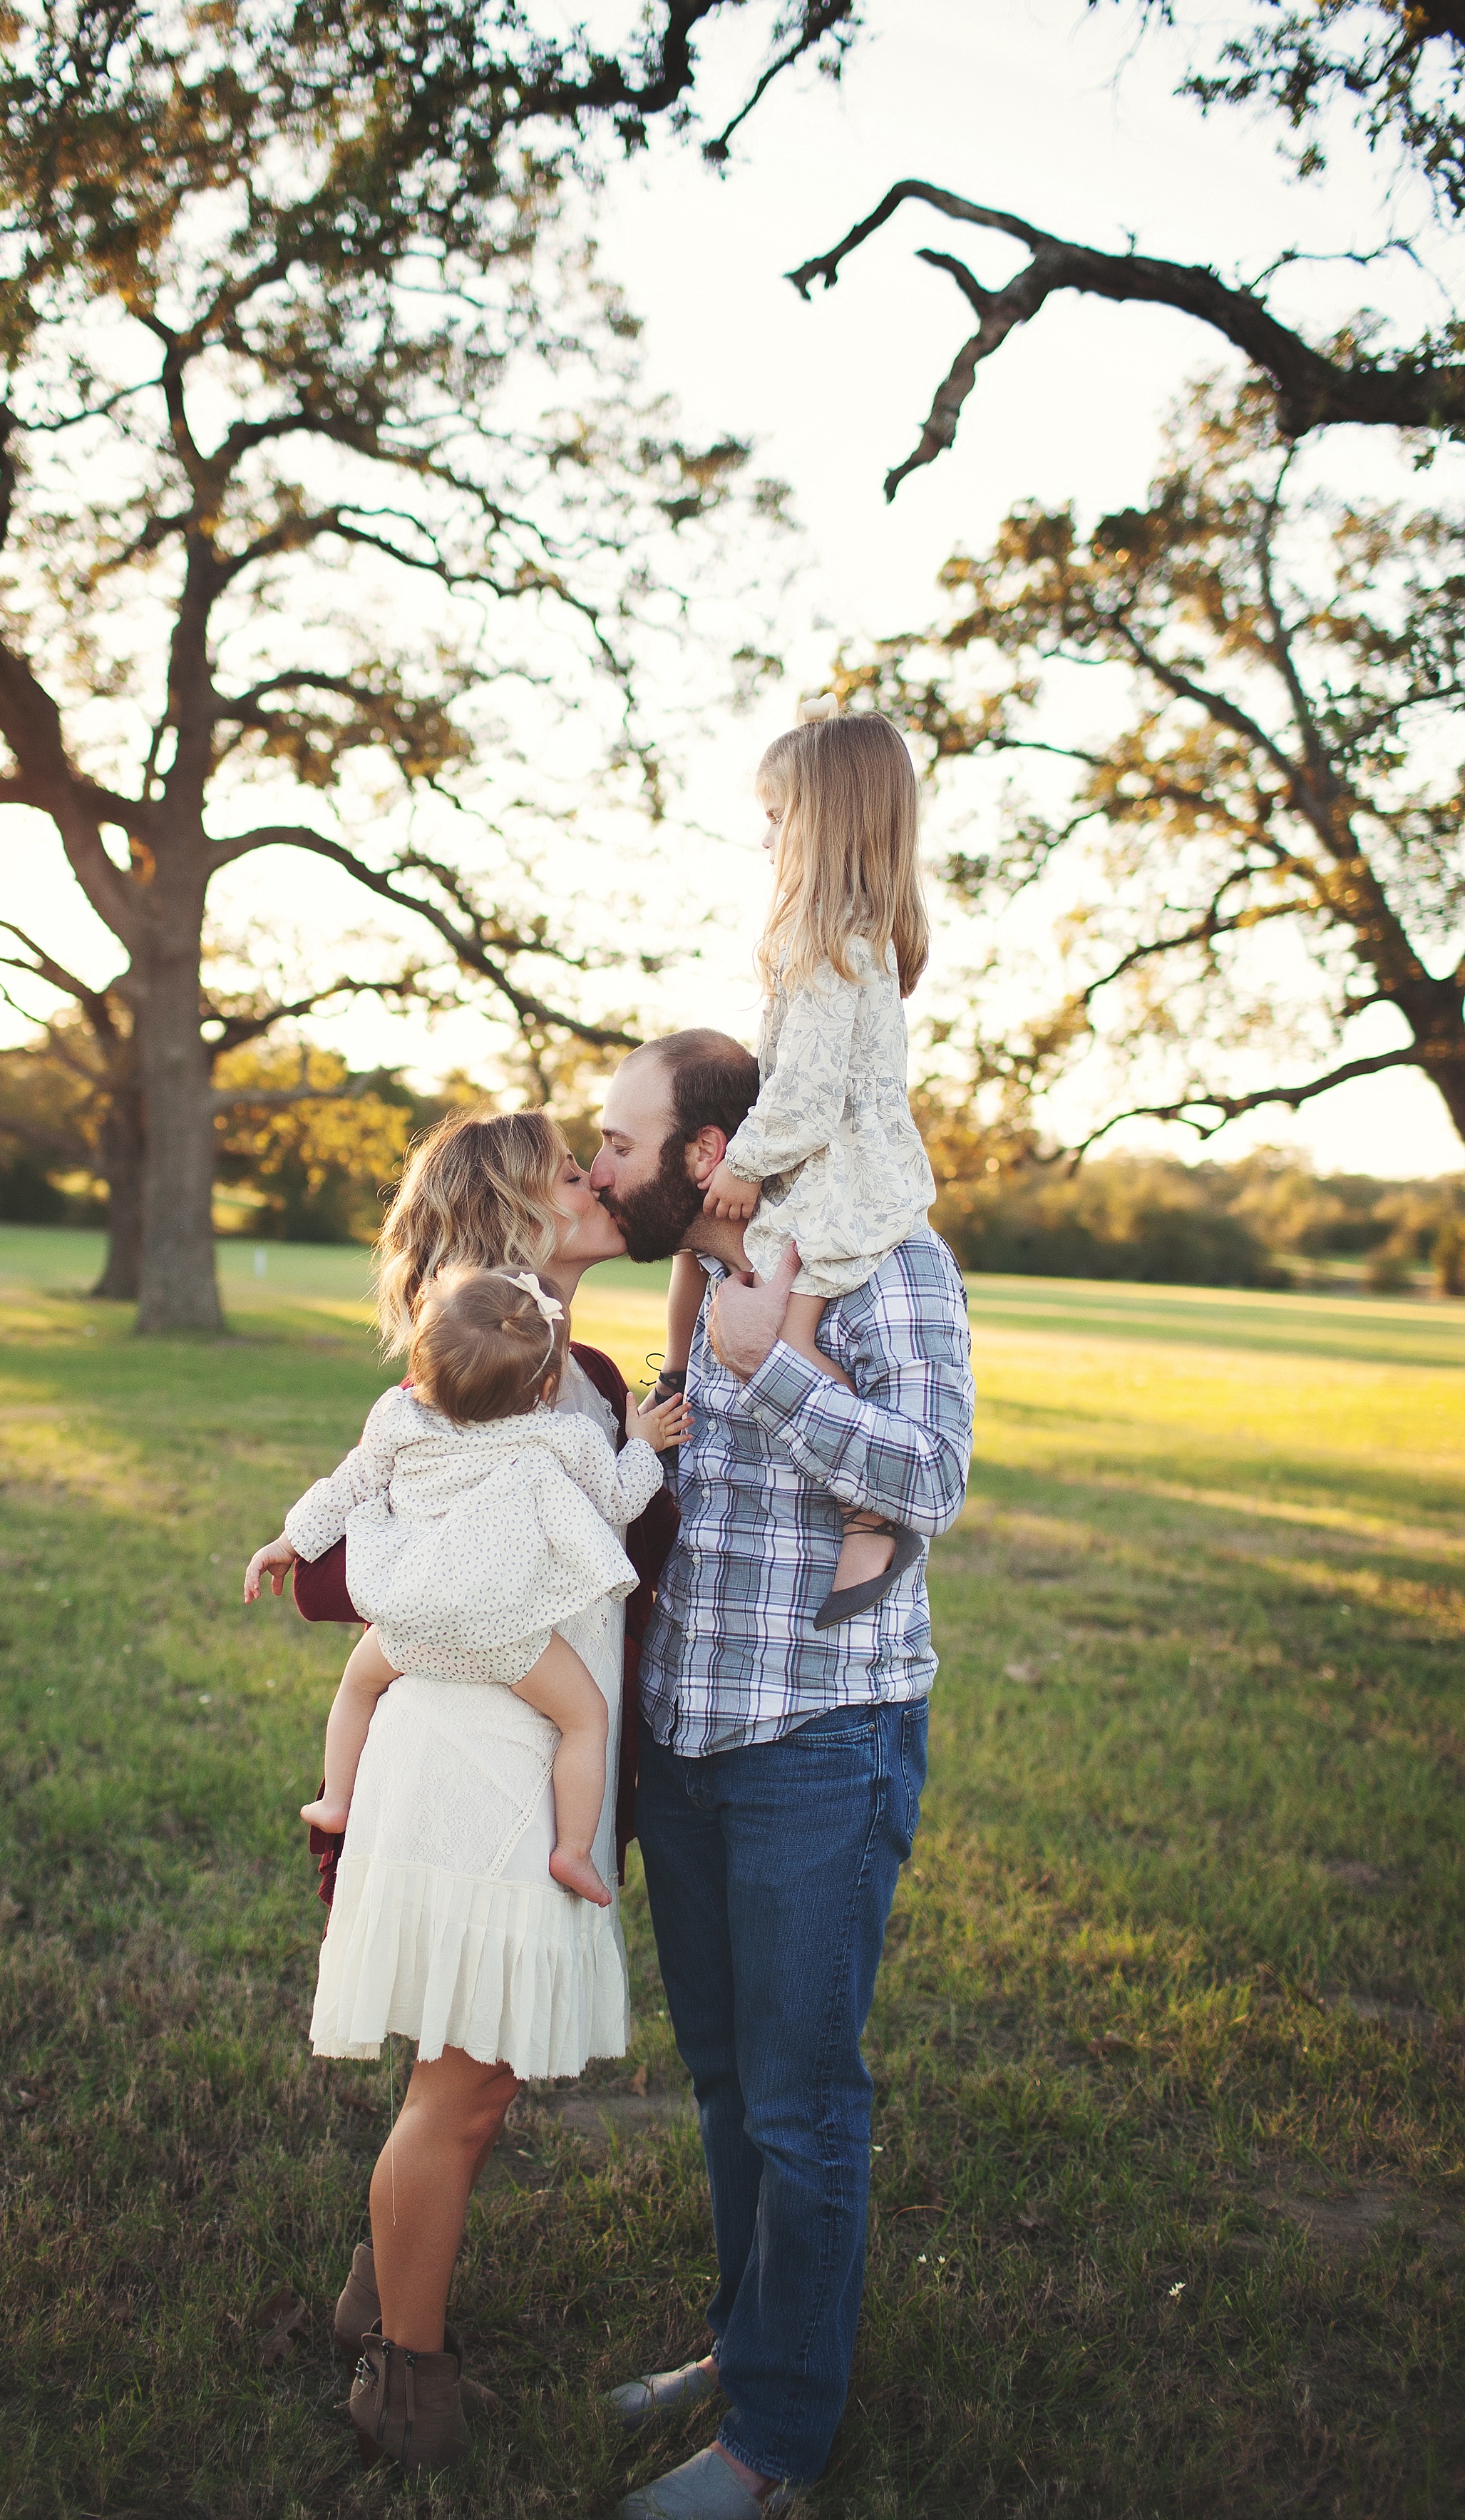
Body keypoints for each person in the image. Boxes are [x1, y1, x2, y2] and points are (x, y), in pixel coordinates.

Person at [242, 1109, 677, 2477]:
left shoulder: (562, 1365)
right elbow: (341, 1571)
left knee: (466, 2084)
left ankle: (383, 2297)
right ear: (515, 1210)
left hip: (527, 1744)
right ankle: (406, 2382)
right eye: (570, 1166)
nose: (598, 1176)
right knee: (467, 2088)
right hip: (482, 1761)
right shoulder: (507, 1375)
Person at [590, 1028, 974, 2520]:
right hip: (692, 1743)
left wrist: (771, 1371)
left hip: (822, 1743)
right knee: (730, 2083)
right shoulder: (687, 1285)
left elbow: (934, 1478)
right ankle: (747, 2348)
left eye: (619, 1141)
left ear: (703, 1154)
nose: (598, 1163)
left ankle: (779, 2445)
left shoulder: (883, 1257)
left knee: (804, 2103)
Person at [243, 1266, 686, 1907]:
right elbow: (619, 1499)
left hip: (408, 1628)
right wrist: (641, 1443)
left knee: (356, 1687)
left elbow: (351, 1484)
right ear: (550, 1385)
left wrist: (289, 1542)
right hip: (505, 1636)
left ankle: (336, 1799)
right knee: (586, 1717)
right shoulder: (560, 1433)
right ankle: (572, 1850)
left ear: (424, 1369)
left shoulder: (400, 1417)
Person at [661, 697, 938, 1629]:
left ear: (823, 823)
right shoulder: (855, 941)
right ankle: (865, 1510)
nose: (766, 839)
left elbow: (807, 1096)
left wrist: (742, 1163)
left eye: (778, 819)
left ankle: (872, 1515)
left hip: (830, 1183)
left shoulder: (819, 949)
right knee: (774, 1321)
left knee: (779, 1339)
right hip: (853, 1172)